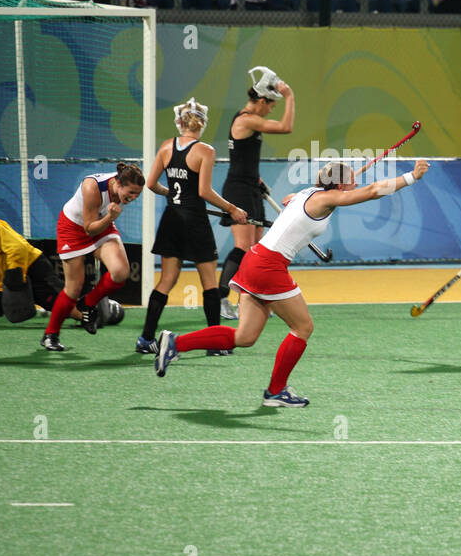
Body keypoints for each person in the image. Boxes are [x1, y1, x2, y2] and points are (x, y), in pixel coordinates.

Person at [154, 157, 432, 407]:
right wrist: (411, 178)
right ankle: (275, 392)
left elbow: (293, 200)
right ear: (338, 185)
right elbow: (371, 191)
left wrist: (334, 192)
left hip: (255, 259)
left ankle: (175, 342)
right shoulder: (324, 199)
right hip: (269, 266)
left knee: (245, 337)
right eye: (351, 180)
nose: (356, 182)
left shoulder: (308, 194)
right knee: (303, 326)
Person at [137, 98, 249, 355]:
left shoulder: (166, 147)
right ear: (202, 124)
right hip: (194, 222)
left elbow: (151, 183)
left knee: (166, 280)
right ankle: (215, 343)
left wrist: (172, 195)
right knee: (209, 282)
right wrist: (232, 209)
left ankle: (145, 339)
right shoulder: (205, 151)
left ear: (180, 122)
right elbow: (204, 191)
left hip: (171, 219)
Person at [40, 162, 145, 351]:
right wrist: (110, 218)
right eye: (131, 193)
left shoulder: (124, 184)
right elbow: (89, 229)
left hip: (102, 224)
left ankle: (87, 303)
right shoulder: (92, 187)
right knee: (73, 287)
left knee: (120, 272)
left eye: (138, 194)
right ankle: (51, 334)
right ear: (118, 184)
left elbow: (98, 224)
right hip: (74, 229)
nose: (134, 197)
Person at [217, 67, 295, 320]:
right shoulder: (246, 119)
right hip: (238, 189)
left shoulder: (252, 120)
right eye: (271, 105)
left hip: (251, 187)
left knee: (256, 248)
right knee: (242, 246)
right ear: (262, 101)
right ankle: (219, 299)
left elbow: (244, 157)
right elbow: (286, 127)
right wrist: (290, 97)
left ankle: (249, 300)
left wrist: (257, 180)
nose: (271, 110)